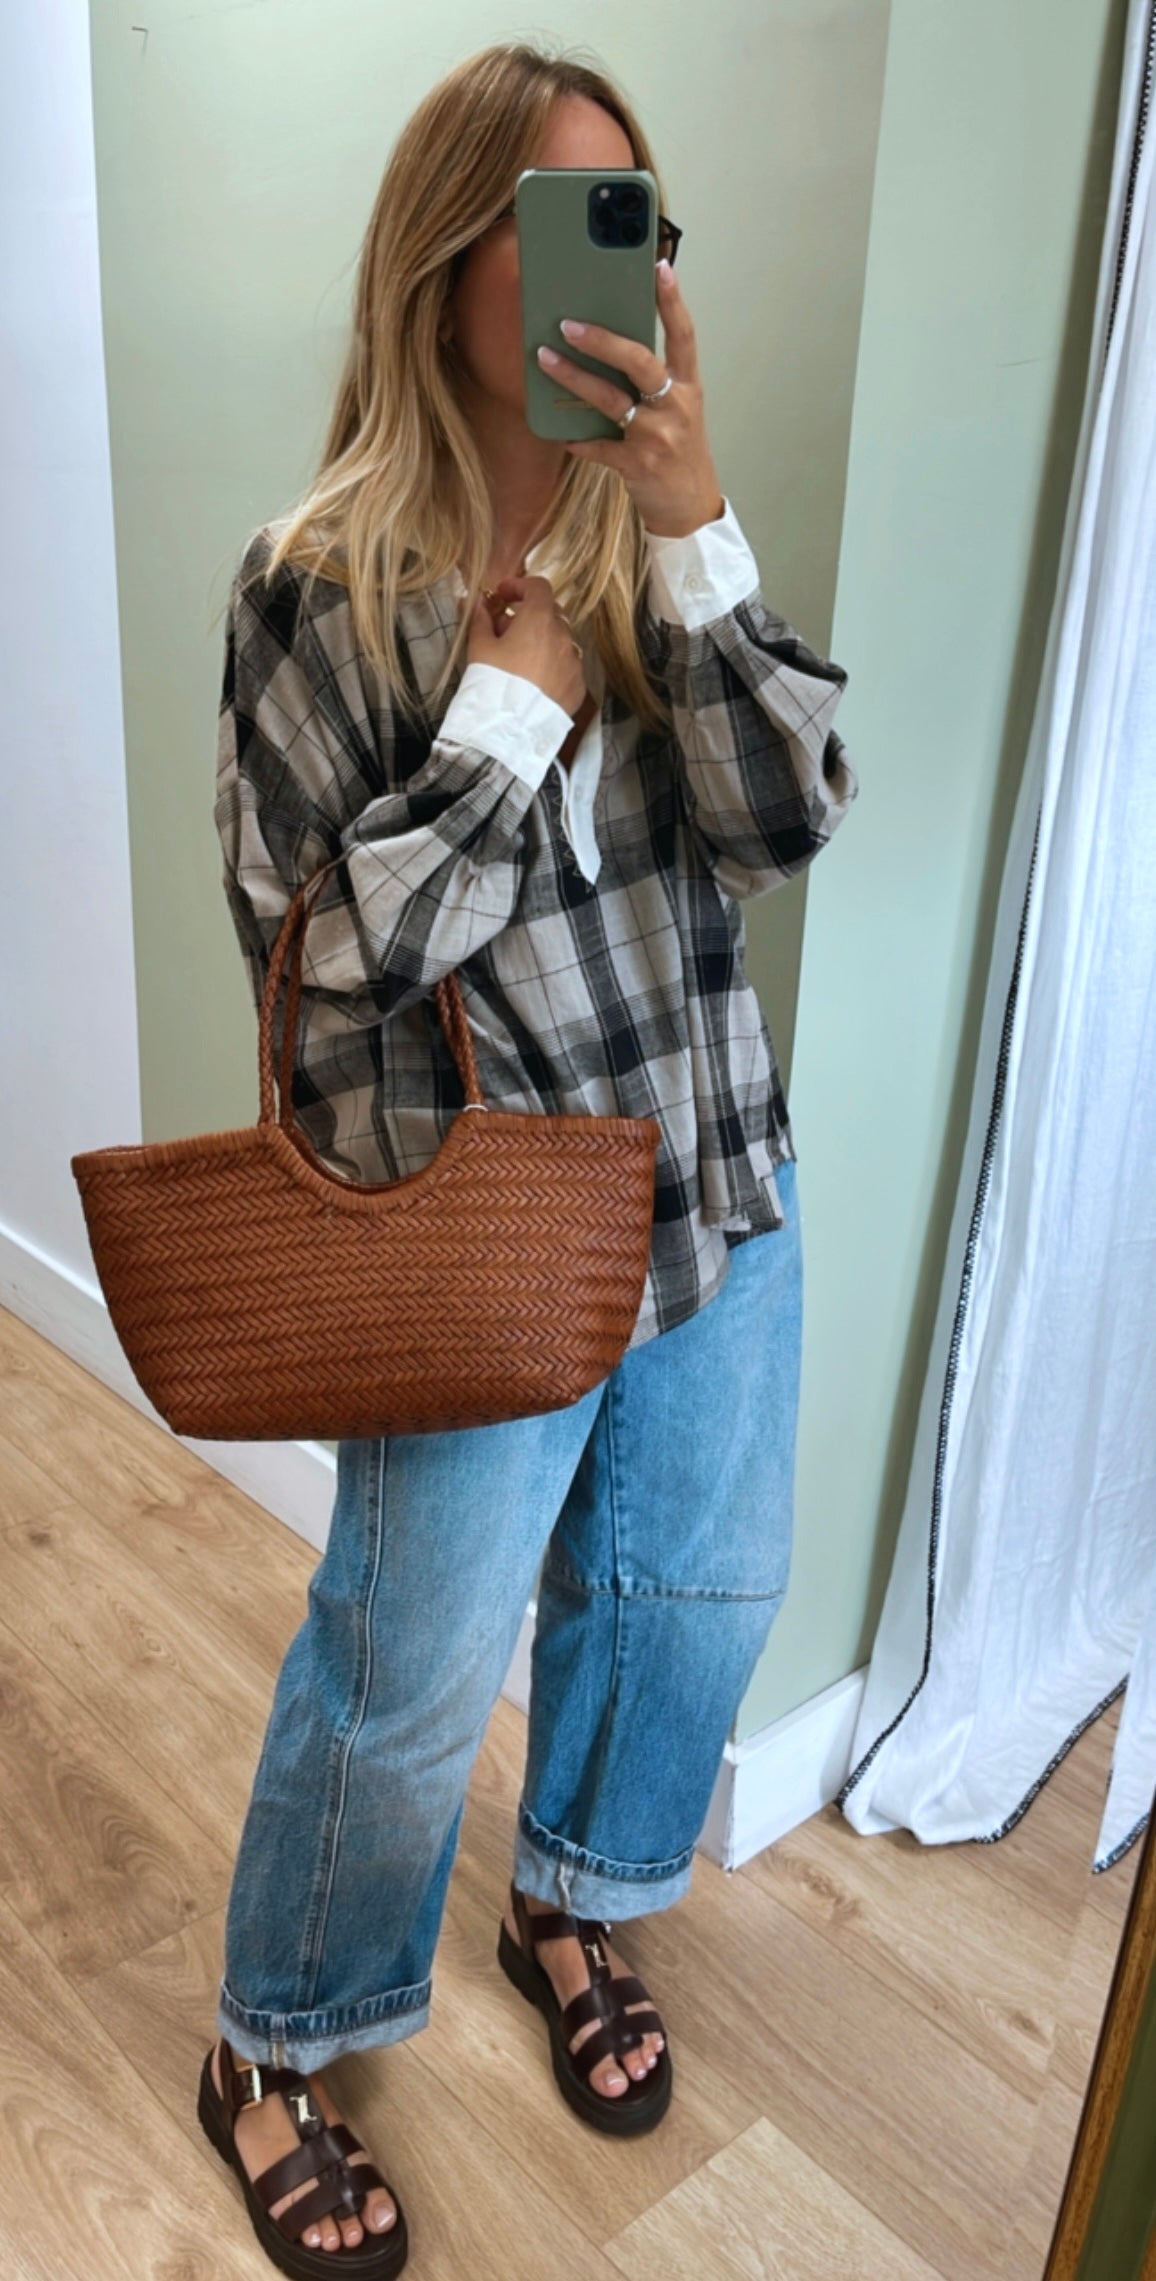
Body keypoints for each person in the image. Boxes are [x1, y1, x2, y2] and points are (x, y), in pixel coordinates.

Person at [202, 36, 858, 2273]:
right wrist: (507, 717)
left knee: (689, 1602)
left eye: (642, 224)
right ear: (444, 256)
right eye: (573, 222)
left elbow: (784, 819)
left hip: (714, 1179)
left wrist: (692, 527)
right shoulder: (314, 580)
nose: (625, 269)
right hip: (476, 1237)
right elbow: (323, 962)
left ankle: (568, 1905)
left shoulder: (651, 536)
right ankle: (272, 2041)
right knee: (404, 1682)